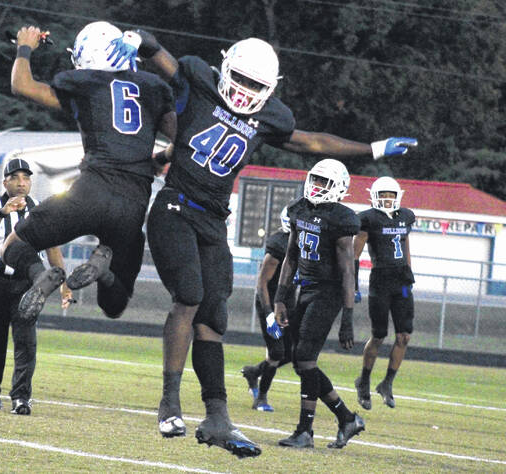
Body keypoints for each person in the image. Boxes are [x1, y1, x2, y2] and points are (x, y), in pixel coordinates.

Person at [107, 31, 416, 458]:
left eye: (256, 86)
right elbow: (162, 56)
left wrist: (374, 148)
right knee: (190, 297)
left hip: (214, 220)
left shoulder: (271, 117)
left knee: (214, 317)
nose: (245, 91)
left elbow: (310, 142)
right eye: (241, 79)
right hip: (175, 204)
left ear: (270, 89)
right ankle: (169, 403)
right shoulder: (198, 78)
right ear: (224, 66)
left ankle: (217, 417)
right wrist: (139, 39)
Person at [0, 22, 176, 326]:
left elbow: (22, 85)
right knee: (114, 303)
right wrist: (160, 157)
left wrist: (25, 46)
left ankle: (43, 275)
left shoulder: (84, 82)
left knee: (13, 247)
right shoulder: (153, 87)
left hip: (90, 192)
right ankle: (103, 271)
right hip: (133, 205)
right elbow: (183, 139)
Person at [273, 159, 364, 449]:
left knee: (305, 358)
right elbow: (290, 257)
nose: (317, 186)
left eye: (324, 182)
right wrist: (279, 299)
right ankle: (347, 418)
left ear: (338, 187)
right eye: (315, 179)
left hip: (330, 292)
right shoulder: (299, 209)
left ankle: (305, 431)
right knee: (300, 361)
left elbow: (348, 270)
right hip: (306, 288)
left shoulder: (342, 218)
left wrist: (347, 318)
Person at [0, 158, 72, 415]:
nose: (21, 183)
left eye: (26, 178)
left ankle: (21, 398)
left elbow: (52, 247)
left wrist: (64, 283)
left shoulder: (39, 210)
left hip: (27, 284)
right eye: (16, 178)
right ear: (5, 181)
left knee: (26, 340)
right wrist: (2, 213)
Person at [353, 176, 415, 410]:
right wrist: (354, 285)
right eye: (383, 195)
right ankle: (364, 381)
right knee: (378, 336)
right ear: (374, 196)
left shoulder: (406, 216)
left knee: (404, 336)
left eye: (391, 194)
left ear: (398, 195)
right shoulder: (368, 219)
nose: (388, 199)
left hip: (401, 281)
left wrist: (409, 271)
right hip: (380, 280)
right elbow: (355, 254)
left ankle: (387, 383)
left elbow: (405, 243)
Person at [240, 207, 294, 412]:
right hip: (269, 301)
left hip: (289, 302)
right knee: (277, 351)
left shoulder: (305, 244)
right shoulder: (279, 244)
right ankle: (261, 398)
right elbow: (262, 283)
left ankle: (254, 372)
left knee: (291, 354)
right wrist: (269, 314)